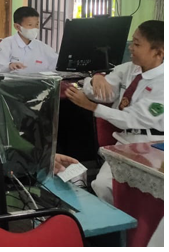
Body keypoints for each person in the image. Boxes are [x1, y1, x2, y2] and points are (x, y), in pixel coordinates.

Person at [65, 20, 164, 204]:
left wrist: (93, 107)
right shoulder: (129, 69)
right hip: (125, 142)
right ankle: (115, 221)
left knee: (146, 196)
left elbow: (132, 119)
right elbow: (101, 92)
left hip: (153, 144)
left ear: (158, 52)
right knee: (102, 185)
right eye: (132, 41)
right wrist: (95, 80)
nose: (131, 48)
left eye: (137, 44)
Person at [0, 6, 58, 74]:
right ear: (17, 27)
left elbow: (57, 65)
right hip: (11, 82)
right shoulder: (7, 44)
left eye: (36, 24)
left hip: (37, 82)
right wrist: (9, 65)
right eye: (30, 25)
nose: (35, 28)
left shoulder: (43, 47)